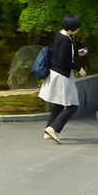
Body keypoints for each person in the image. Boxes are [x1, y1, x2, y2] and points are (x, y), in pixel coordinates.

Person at [39, 14, 87, 143]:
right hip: (62, 76)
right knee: (72, 105)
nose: (78, 30)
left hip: (56, 73)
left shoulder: (61, 35)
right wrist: (79, 68)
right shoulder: (66, 39)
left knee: (59, 104)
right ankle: (53, 128)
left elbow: (63, 53)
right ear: (72, 28)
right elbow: (63, 59)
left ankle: (48, 131)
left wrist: (78, 52)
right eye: (77, 27)